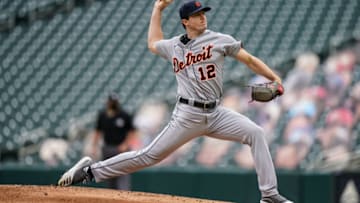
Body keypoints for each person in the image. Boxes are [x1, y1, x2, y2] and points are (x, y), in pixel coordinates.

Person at [58, 1, 293, 202]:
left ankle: (269, 195)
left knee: (256, 133)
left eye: (203, 14)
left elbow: (249, 60)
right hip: (187, 115)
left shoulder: (220, 40)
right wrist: (157, 9)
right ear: (185, 21)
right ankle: (88, 172)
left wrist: (274, 78)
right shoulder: (173, 46)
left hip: (216, 113)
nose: (203, 18)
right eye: (197, 15)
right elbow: (152, 43)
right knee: (149, 156)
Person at [90, 93, 136, 190]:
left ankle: (123, 196)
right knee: (109, 174)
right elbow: (97, 132)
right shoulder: (102, 115)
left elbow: (132, 132)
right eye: (111, 101)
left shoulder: (124, 115)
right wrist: (94, 146)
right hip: (108, 148)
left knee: (123, 173)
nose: (113, 103)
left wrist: (125, 144)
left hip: (121, 149)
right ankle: (112, 197)